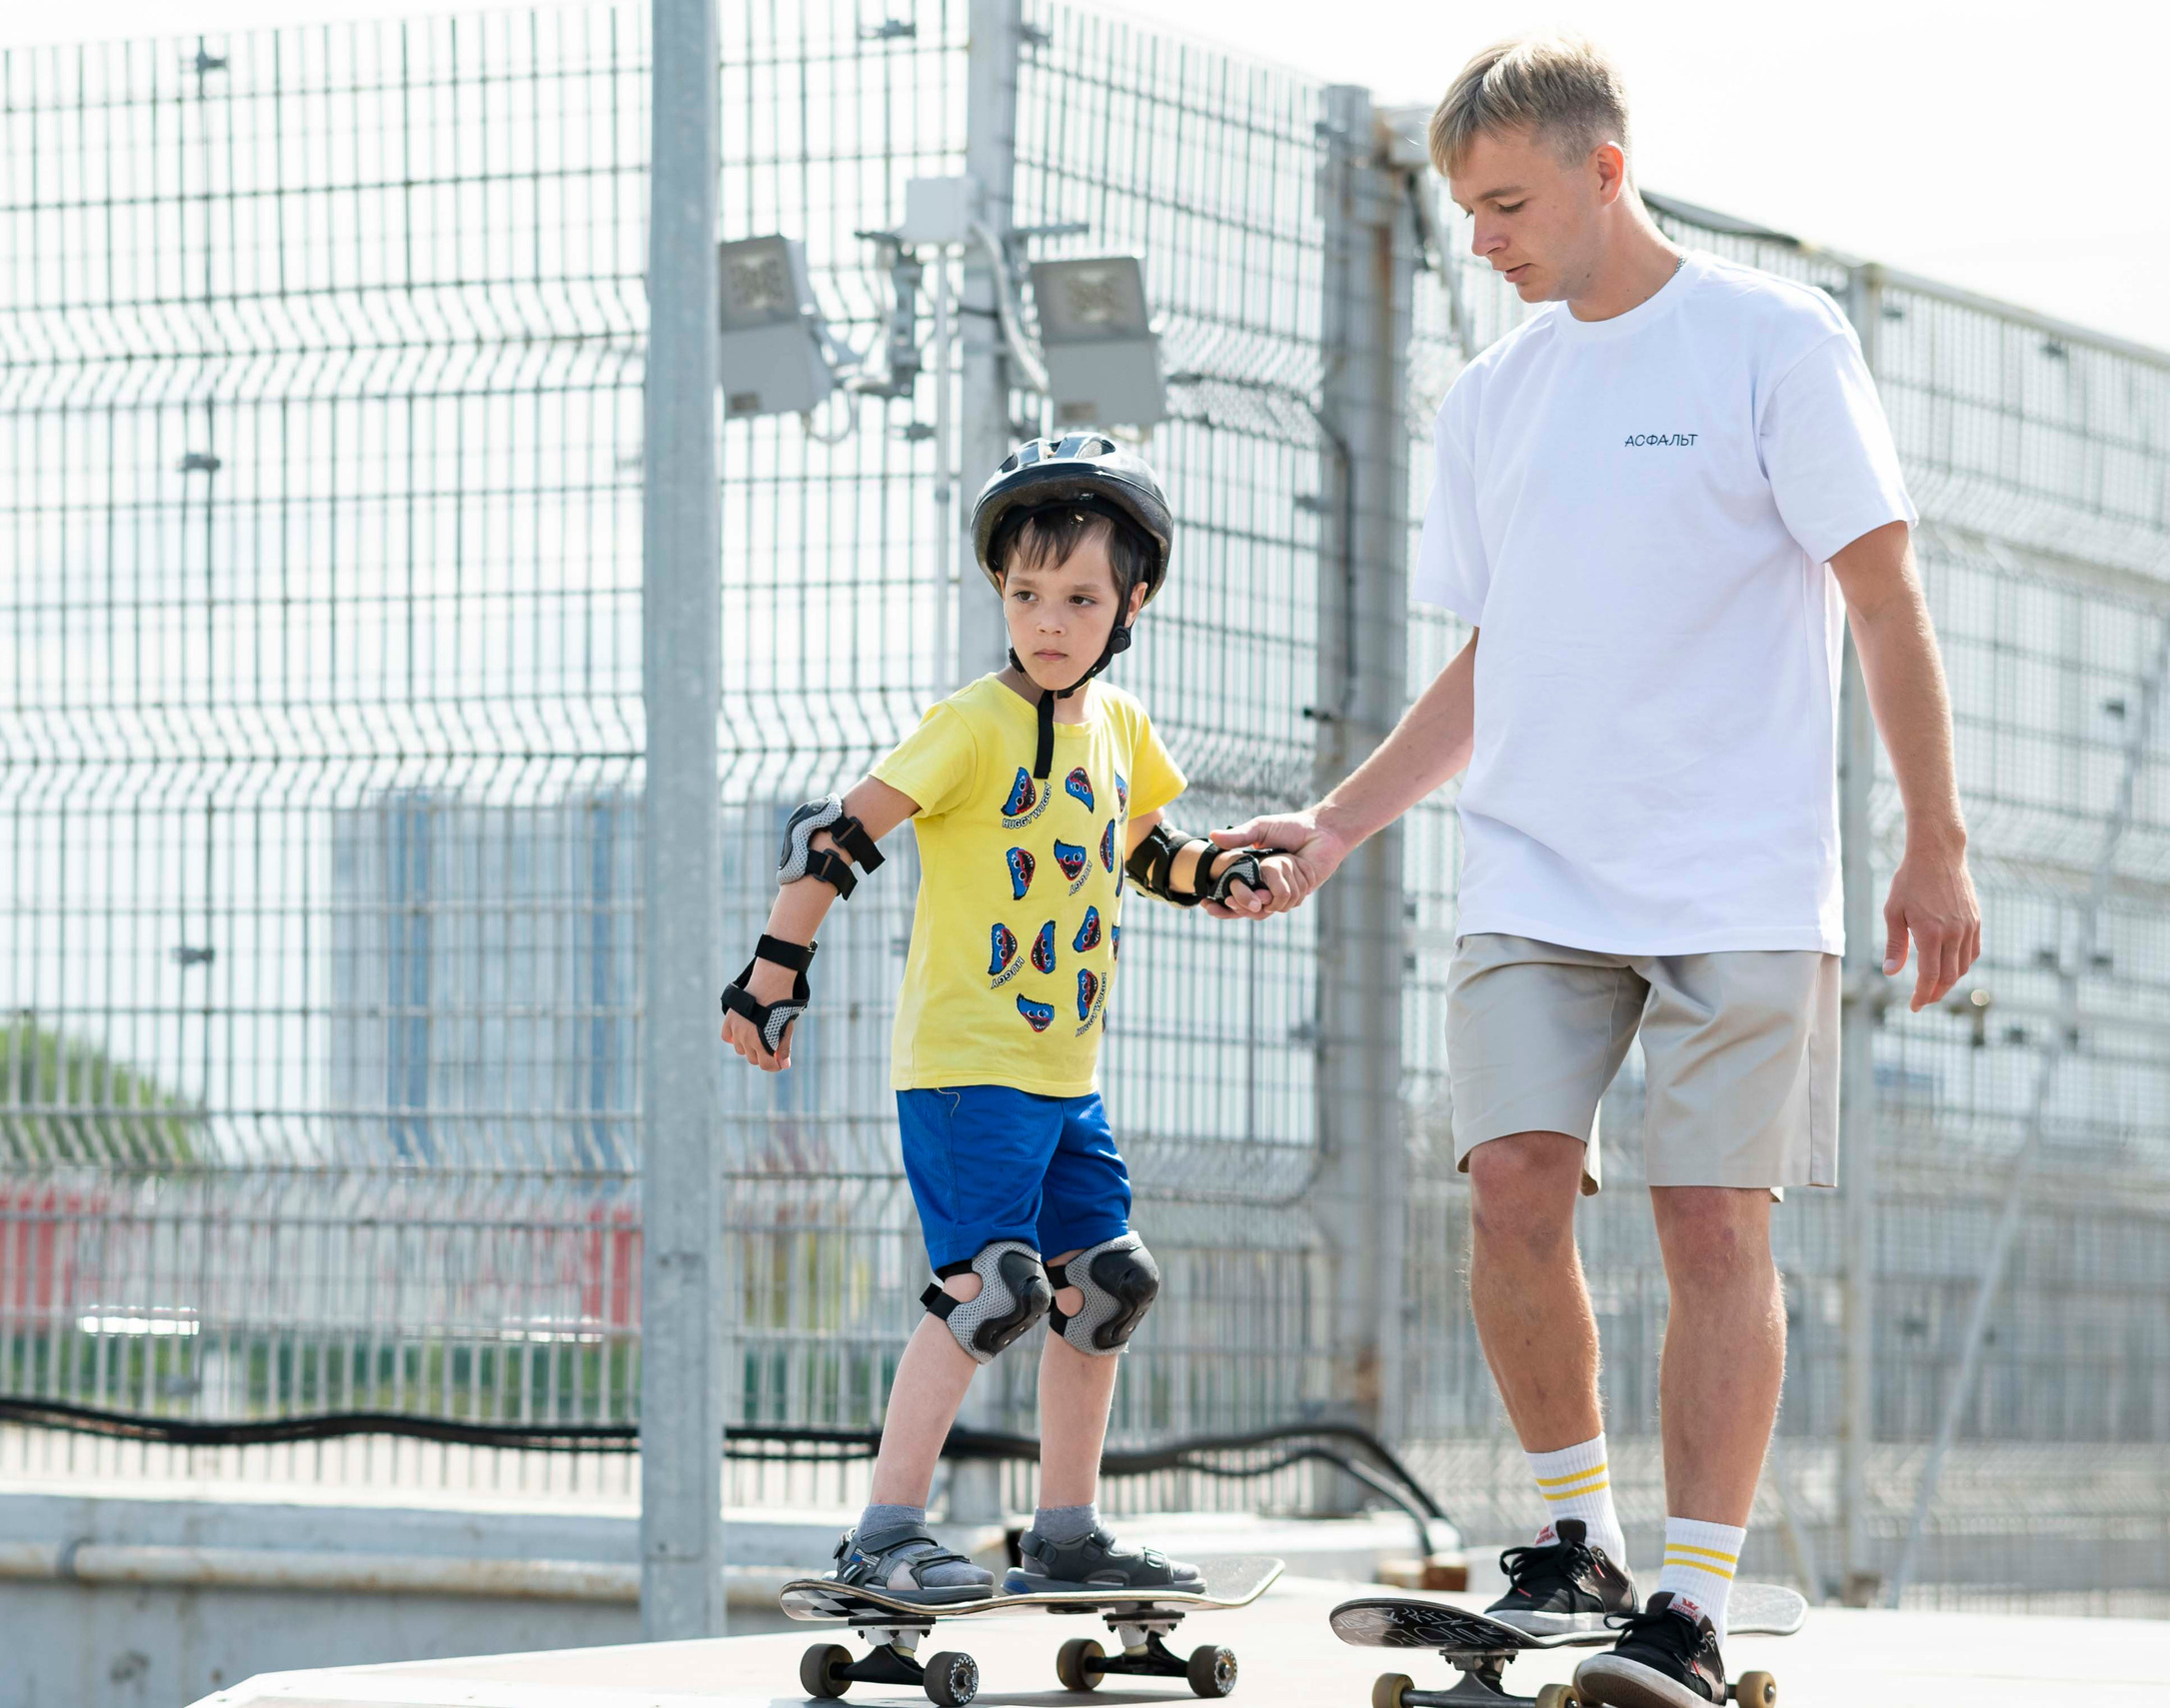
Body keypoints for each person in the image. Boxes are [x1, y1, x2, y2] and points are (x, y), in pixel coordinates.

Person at [1208, 35, 1980, 1708]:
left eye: (1507, 202)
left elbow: (1883, 594)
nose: (1484, 239)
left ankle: (1690, 1602)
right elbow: (1498, 657)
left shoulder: (1774, 337)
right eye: (1465, 211)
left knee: (1714, 1216)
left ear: (1604, 168)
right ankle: (1579, 1533)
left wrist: (1935, 832)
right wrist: (1337, 825)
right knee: (1509, 1182)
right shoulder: (1492, 399)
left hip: (1745, 878)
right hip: (1538, 866)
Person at [719, 435, 1269, 1602]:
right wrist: (773, 970)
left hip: (1064, 1072)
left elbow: (1149, 850)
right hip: (967, 1065)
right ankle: (882, 1532)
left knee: (1104, 1280)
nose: (1049, 619)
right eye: (1026, 593)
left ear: (1132, 601)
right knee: (994, 1288)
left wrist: (1217, 873)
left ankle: (1064, 1532)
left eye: (1078, 596)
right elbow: (835, 836)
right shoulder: (971, 721)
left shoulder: (1119, 728)